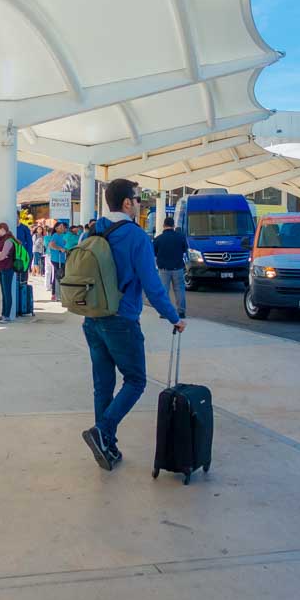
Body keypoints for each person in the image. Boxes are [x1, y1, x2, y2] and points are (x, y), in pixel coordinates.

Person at [81, 178, 186, 472]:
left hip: (92, 318)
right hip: (122, 320)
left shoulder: (92, 229)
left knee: (103, 385)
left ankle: (107, 445)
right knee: (136, 380)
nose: (140, 204)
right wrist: (174, 317)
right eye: (138, 200)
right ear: (127, 203)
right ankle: (103, 432)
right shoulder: (136, 236)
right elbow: (153, 286)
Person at [153, 216, 189, 318]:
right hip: (178, 267)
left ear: (164, 226)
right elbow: (184, 249)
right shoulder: (180, 237)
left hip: (163, 269)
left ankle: (164, 313)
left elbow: (154, 253)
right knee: (180, 290)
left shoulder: (158, 239)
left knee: (164, 290)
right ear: (173, 226)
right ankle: (181, 312)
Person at [0, 222, 18, 322]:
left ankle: (6, 316)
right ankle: (3, 314)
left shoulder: (8, 241)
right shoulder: (1, 240)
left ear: (3, 229)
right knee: (3, 292)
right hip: (2, 268)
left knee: (7, 292)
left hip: (8, 268)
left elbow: (1, 256)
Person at [47, 221, 70, 300]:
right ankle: (55, 294)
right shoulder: (55, 235)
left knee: (61, 275)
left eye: (63, 227)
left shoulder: (64, 235)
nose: (62, 228)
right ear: (56, 228)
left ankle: (59, 293)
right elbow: (51, 245)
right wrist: (60, 248)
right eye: (60, 227)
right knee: (58, 275)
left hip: (62, 258)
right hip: (57, 258)